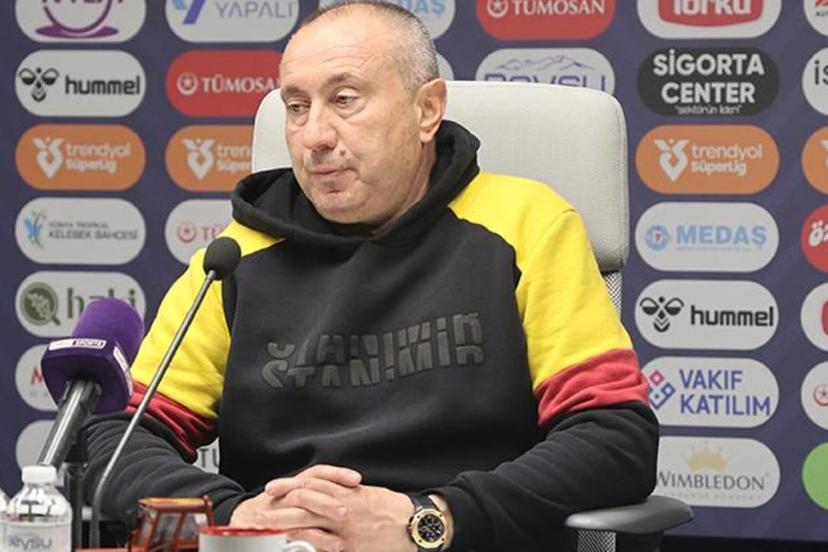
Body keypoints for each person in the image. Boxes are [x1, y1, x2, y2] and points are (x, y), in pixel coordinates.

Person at [83, 2, 658, 551]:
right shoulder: (236, 257)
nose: (315, 135)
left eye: (344, 100)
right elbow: (120, 440)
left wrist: (429, 520)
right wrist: (239, 518)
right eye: (297, 106)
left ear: (427, 109)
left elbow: (613, 438)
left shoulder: (526, 223)